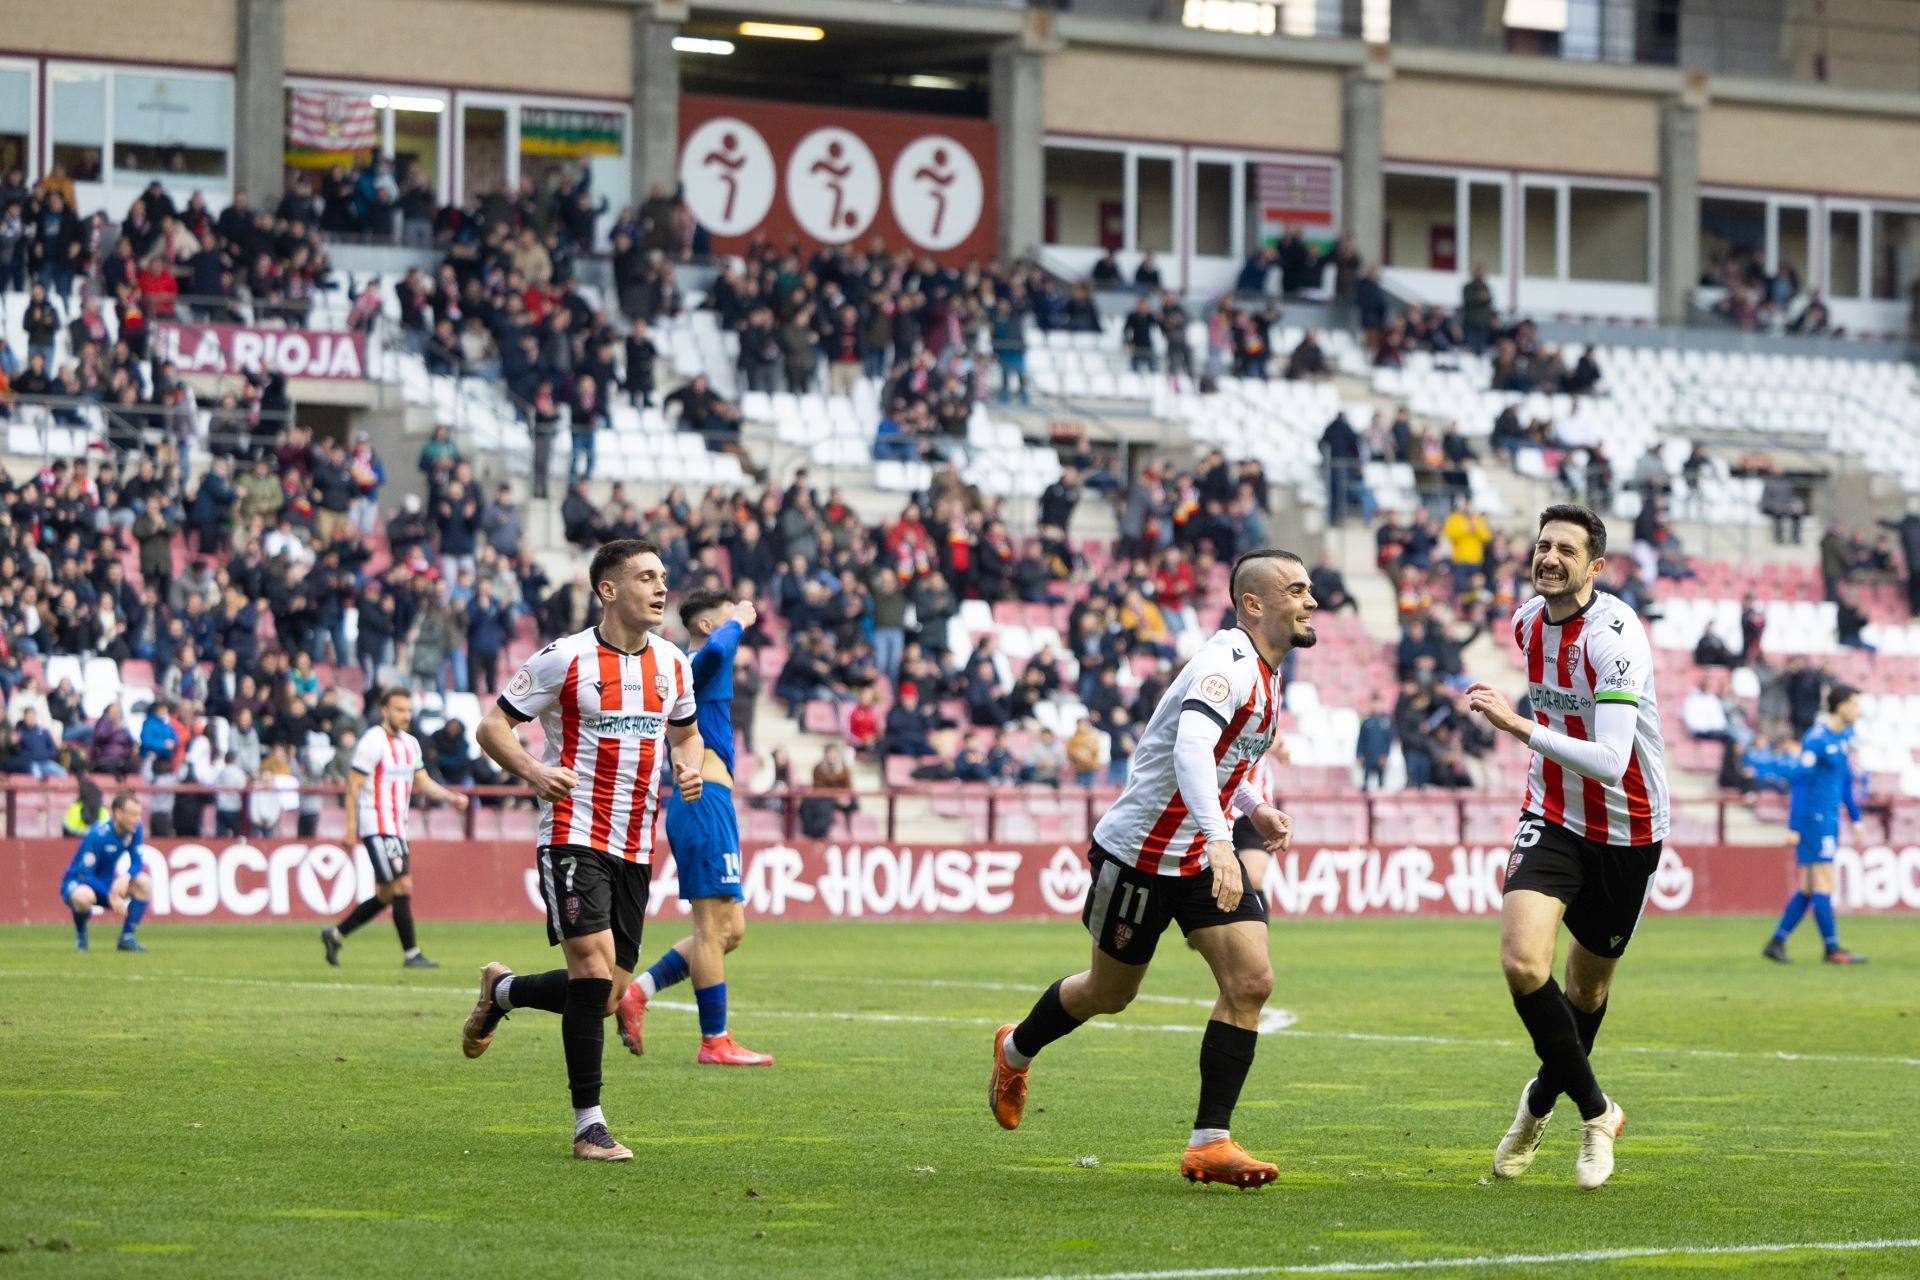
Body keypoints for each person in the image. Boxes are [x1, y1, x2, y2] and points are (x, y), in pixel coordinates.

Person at [987, 550, 1312, 1188]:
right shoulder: (1227, 664)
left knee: (1251, 982)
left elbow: (1227, 758)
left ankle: (1209, 1142)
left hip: (1196, 856)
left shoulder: (1271, 674)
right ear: (1254, 604)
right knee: (1110, 994)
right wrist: (1224, 837)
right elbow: (1192, 744)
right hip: (1139, 856)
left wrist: (1255, 806)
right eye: (1297, 591)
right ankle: (1013, 1050)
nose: (1311, 601)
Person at [463, 539, 705, 1162]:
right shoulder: (564, 659)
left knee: (605, 996)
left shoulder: (675, 664)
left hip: (634, 841)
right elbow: (493, 725)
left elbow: (687, 735)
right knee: (592, 971)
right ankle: (588, 1126)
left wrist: (689, 766)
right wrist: (533, 772)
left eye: (662, 577)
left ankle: (504, 991)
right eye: (646, 577)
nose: (660, 588)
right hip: (573, 830)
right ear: (608, 590)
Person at [1465, 504, 1669, 1192]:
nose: (1549, 557)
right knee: (1524, 963)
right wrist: (1529, 734)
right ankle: (1595, 1111)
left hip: (1628, 828)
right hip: (1551, 814)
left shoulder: (1616, 638)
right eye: (1543, 544)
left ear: (1595, 567)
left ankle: (1537, 1103)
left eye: (1566, 550)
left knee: (1587, 987)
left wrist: (1515, 724)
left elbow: (1612, 760)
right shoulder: (1526, 621)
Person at [617, 590, 772, 1067]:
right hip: (702, 799)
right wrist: (741, 619)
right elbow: (724, 649)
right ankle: (714, 1041)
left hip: (712, 800)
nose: (736, 627)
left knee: (731, 931)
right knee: (710, 929)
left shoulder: (692, 666)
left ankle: (637, 993)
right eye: (725, 619)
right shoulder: (699, 660)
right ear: (707, 625)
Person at [321, 687, 469, 970]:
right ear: (385, 711)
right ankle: (412, 954)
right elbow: (352, 786)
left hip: (398, 827)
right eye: (400, 710)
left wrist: (451, 797)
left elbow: (422, 782)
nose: (406, 715)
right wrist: (350, 828)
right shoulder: (372, 742)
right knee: (402, 885)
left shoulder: (411, 744)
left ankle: (336, 934)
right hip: (376, 824)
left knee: (389, 892)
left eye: (408, 710)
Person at [1763, 685, 1867, 966]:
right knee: (1823, 882)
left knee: (1809, 887)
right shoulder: (1816, 739)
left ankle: (1777, 942)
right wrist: (1794, 826)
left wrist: (1856, 818)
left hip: (1830, 818)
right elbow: (1800, 784)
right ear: (1841, 705)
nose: (1859, 711)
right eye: (1855, 705)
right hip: (1814, 820)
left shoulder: (1843, 737)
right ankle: (1832, 949)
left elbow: (1845, 781)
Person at [59, 791, 151, 953]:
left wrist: (126, 876)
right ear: (118, 813)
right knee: (83, 897)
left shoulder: (135, 829)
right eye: (133, 815)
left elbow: (137, 861)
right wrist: (111, 895)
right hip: (78, 881)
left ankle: (127, 938)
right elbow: (84, 873)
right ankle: (81, 935)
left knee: (144, 882)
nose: (138, 819)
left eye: (139, 815)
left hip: (107, 882)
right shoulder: (97, 835)